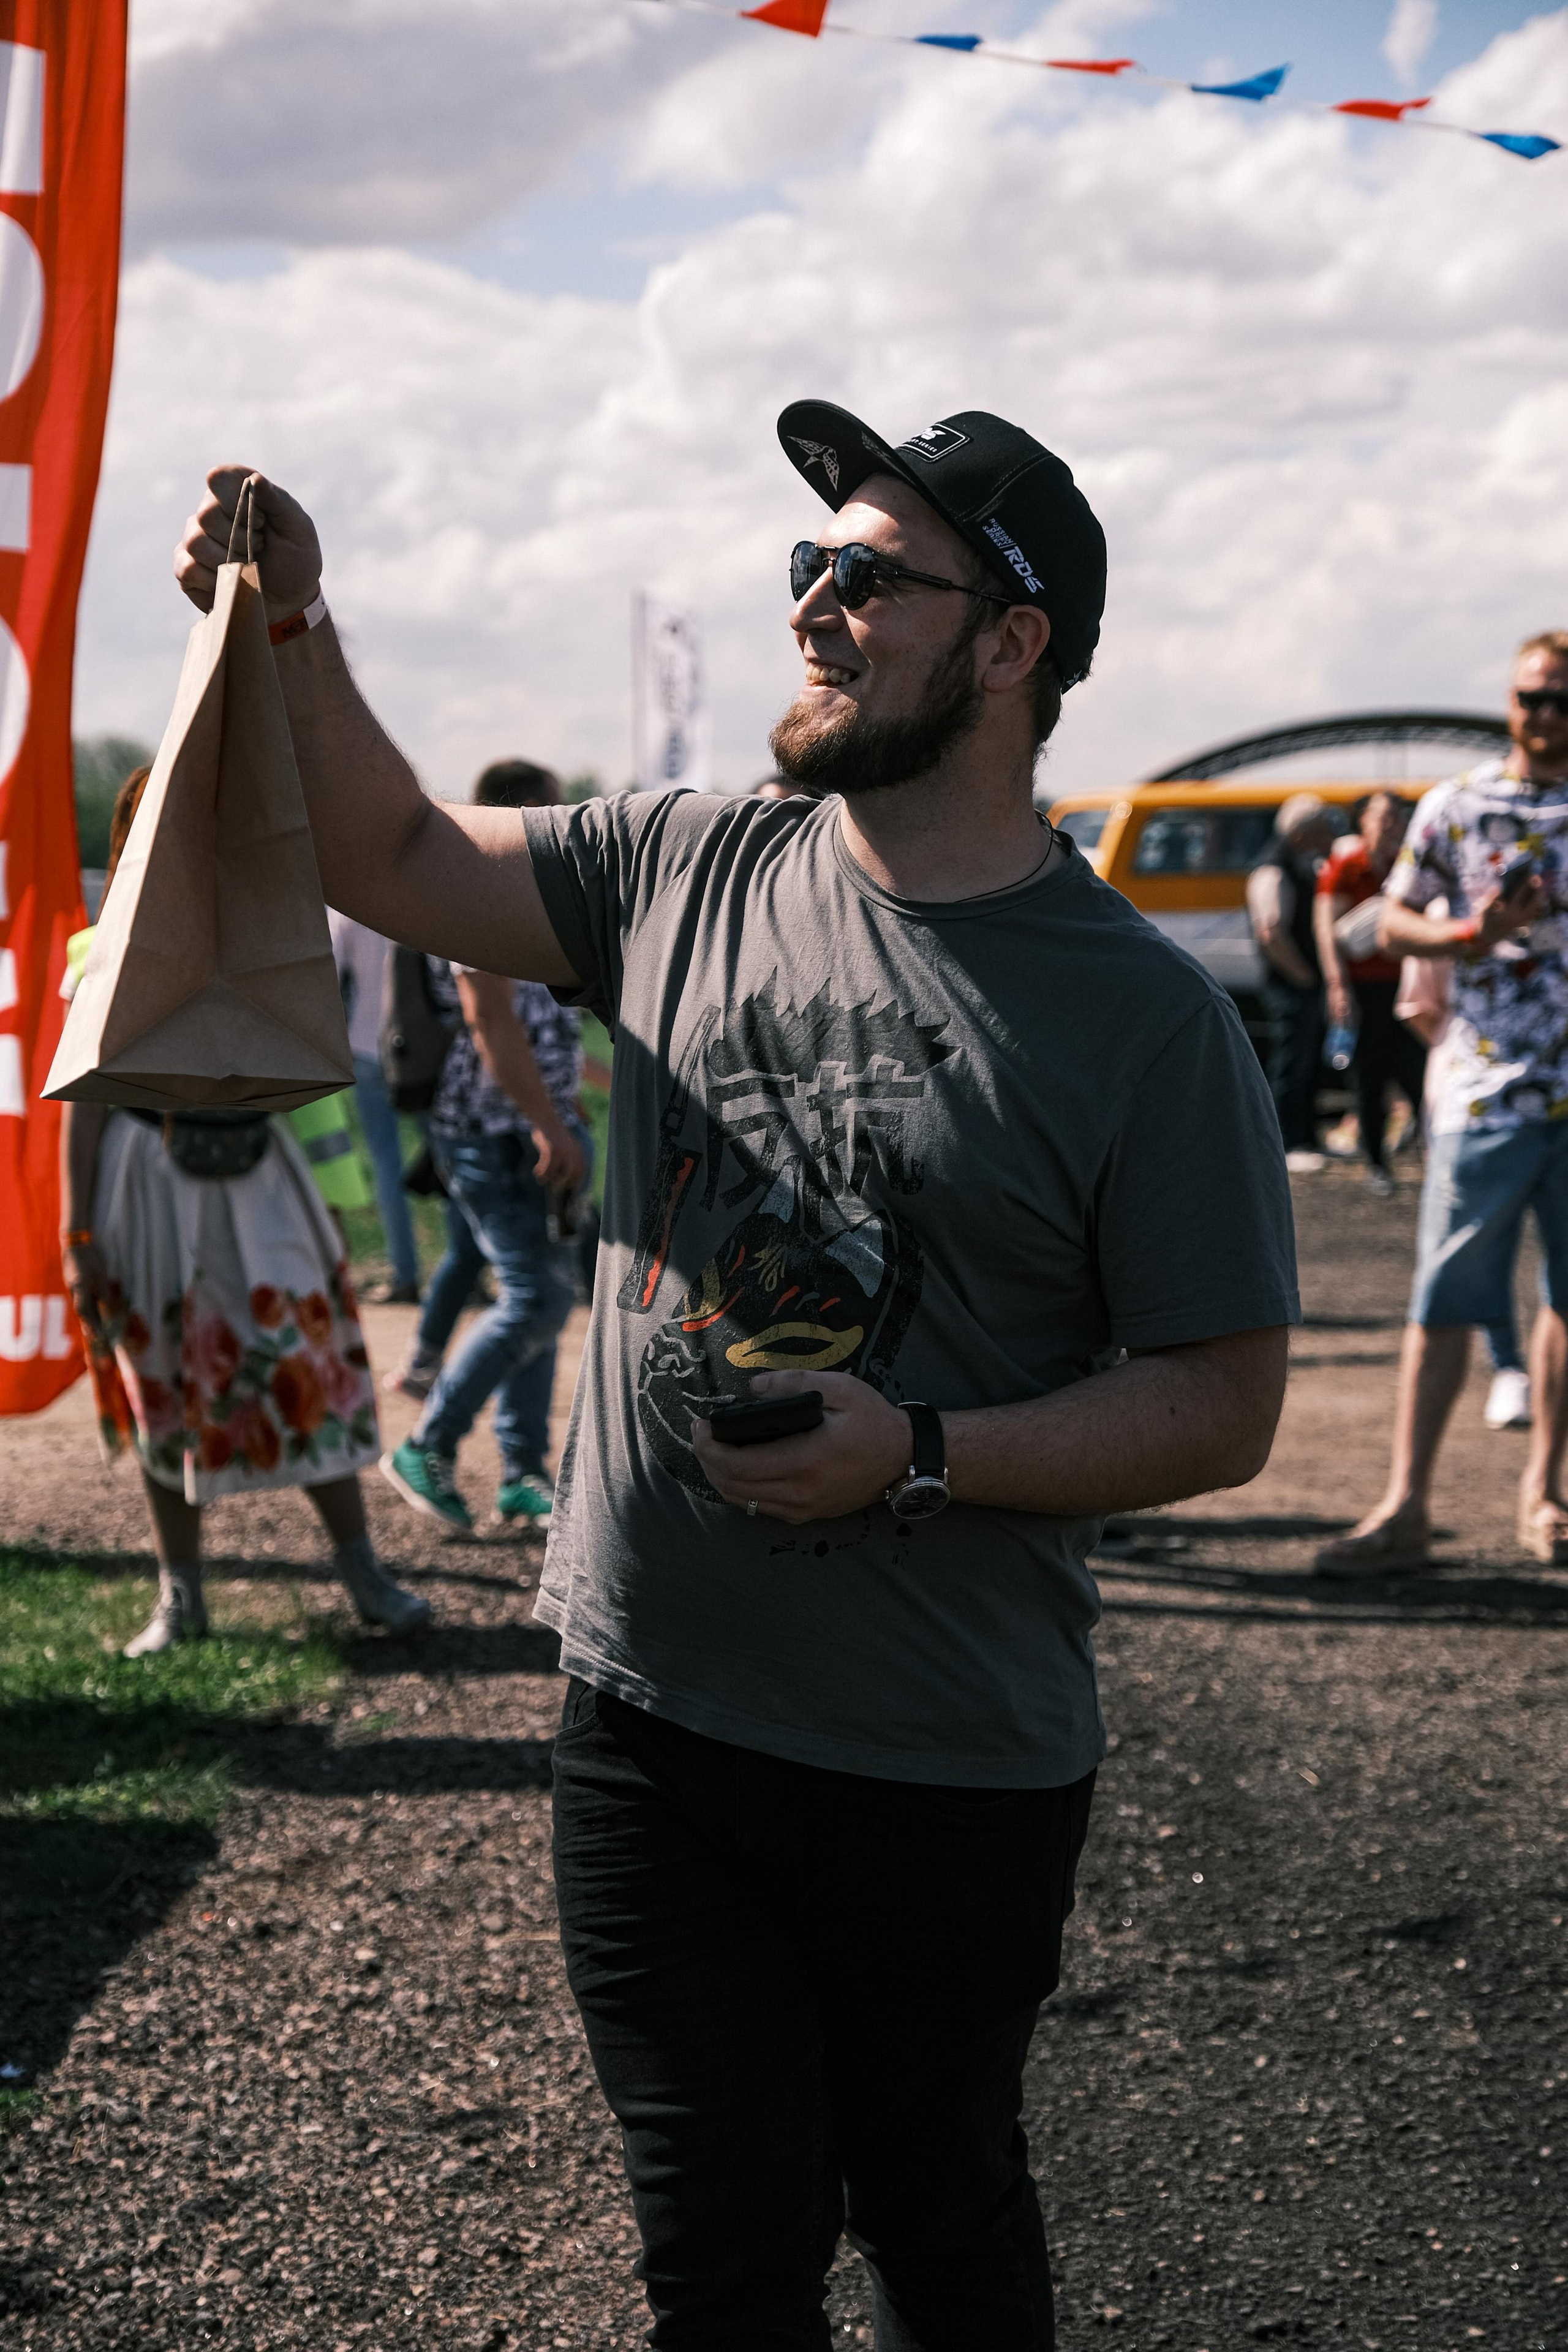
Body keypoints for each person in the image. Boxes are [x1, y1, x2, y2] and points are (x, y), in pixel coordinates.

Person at [173, 406, 1297, 2351]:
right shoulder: (685, 860)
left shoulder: (1141, 1017)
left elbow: (1220, 1399)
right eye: (808, 569)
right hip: (647, 1711)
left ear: (1011, 642)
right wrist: (297, 624)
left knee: (940, 2221)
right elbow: (391, 852)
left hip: (940, 1757)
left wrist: (918, 1450)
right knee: (716, 2251)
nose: (816, 608)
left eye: (868, 576)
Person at [60, 771, 430, 1655]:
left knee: (305, 1366)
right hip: (147, 1180)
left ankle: (364, 1577)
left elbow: (313, 1092)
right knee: (163, 1379)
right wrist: (77, 1237)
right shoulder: (100, 954)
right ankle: (180, 1600)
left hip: (265, 1182)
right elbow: (82, 1107)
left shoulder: (272, 944)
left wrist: (334, 1208)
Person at [1317, 630, 1568, 1573]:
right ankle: (1406, 1506)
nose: (1544, 716)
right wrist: (1473, 931)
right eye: (1532, 697)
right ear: (1511, 701)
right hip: (1484, 1089)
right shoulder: (1458, 807)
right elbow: (1391, 915)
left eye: (1562, 702)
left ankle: (1545, 1494)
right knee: (1443, 1300)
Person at [379, 761, 589, 1536]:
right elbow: (491, 1023)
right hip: (494, 1134)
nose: (566, 823)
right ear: (516, 815)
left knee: (531, 1299)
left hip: (523, 1128)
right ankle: (426, 1445)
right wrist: (550, 1123)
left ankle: (522, 1473)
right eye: (552, 810)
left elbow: (540, 1026)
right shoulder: (476, 895)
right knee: (539, 1299)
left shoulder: (523, 896)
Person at [1394, 916, 1531, 1431]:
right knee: (1470, 1254)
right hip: (1469, 1105)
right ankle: (1509, 1367)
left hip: (1549, 1102)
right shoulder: (1440, 909)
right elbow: (1422, 1007)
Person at [1313, 791, 1427, 1196]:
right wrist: (1338, 986)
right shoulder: (1346, 866)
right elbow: (1327, 931)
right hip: (1364, 988)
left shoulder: (1406, 865)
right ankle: (1377, 1163)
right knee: (1370, 1076)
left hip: (1407, 985)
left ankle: (1428, 1154)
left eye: (1396, 816)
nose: (1390, 823)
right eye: (1382, 816)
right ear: (1362, 821)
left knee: (1419, 1074)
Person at [330, 910, 423, 1302]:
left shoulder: (344, 909)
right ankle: (469, 1267)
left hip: (368, 1045)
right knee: (453, 1162)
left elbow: (328, 977)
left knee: (388, 1166)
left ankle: (405, 1274)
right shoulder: (419, 892)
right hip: (423, 1050)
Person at [1246, 792, 1340, 1171]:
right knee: (1291, 1064)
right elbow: (1271, 932)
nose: (1329, 837)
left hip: (1301, 985)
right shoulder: (1274, 869)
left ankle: (1307, 1135)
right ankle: (1286, 1142)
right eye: (1322, 830)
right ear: (1302, 833)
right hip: (1290, 987)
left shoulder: (1298, 865)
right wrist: (1304, 978)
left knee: (1306, 1062)